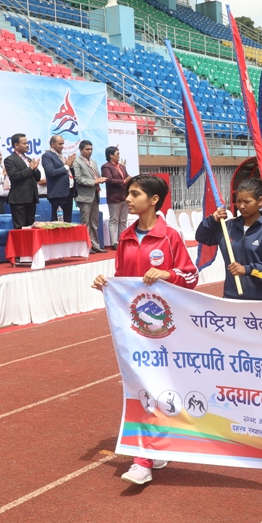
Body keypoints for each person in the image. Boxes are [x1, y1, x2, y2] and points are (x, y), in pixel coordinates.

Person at [92, 174, 198, 486]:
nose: (128, 198)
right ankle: (150, 450)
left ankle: (143, 459)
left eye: (135, 194)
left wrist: (168, 274)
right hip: (136, 331)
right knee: (144, 389)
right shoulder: (125, 237)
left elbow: (190, 277)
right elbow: (123, 281)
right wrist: (106, 284)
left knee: (155, 388)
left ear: (153, 200)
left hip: (166, 331)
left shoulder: (170, 238)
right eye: (128, 193)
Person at [195, 178, 262, 300]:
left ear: (259, 201)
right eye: (238, 201)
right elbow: (201, 237)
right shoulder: (228, 226)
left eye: (247, 202)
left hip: (260, 299)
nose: (241, 206)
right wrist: (212, 220)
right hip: (231, 297)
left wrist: (246, 269)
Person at [73, 139, 107, 253]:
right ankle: (86, 246)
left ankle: (95, 245)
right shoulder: (76, 162)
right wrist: (94, 182)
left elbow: (96, 175)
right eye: (87, 149)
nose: (90, 151)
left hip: (95, 195)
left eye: (91, 149)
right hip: (84, 196)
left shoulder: (93, 162)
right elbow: (77, 179)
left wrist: (100, 179)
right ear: (81, 150)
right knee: (85, 223)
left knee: (94, 223)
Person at [4, 134, 41, 232]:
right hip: (19, 199)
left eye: (27, 143)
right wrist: (30, 169)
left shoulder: (28, 159)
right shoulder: (9, 160)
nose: (27, 145)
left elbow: (37, 177)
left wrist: (35, 169)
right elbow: (15, 176)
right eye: (24, 143)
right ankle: (20, 247)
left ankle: (30, 247)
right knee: (20, 229)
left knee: (30, 228)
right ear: (16, 145)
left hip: (31, 198)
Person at [42, 135, 76, 222]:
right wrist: (67, 166)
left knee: (68, 220)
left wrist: (70, 165)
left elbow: (68, 170)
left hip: (68, 191)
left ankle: (67, 236)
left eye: (63, 144)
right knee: (57, 221)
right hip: (58, 193)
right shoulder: (47, 156)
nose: (62, 146)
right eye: (60, 144)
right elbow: (51, 172)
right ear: (52, 144)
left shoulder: (61, 156)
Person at [102, 146, 130, 249]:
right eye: (117, 154)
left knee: (123, 220)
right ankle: (114, 243)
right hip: (114, 197)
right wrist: (124, 181)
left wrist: (129, 180)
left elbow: (127, 178)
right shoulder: (106, 167)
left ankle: (122, 240)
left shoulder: (122, 166)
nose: (119, 156)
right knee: (114, 220)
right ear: (111, 155)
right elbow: (109, 180)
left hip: (124, 197)